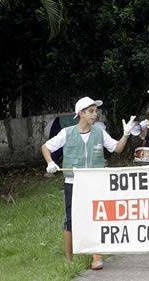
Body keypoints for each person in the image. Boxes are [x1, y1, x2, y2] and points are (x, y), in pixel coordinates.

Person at [41, 97, 136, 269]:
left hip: (95, 182)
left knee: (96, 217)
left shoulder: (99, 132)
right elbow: (46, 147)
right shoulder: (67, 132)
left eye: (95, 111)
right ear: (81, 114)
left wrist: (126, 134)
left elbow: (117, 148)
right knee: (70, 220)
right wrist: (50, 162)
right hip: (73, 182)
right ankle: (68, 260)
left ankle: (97, 256)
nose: (95, 114)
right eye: (91, 111)